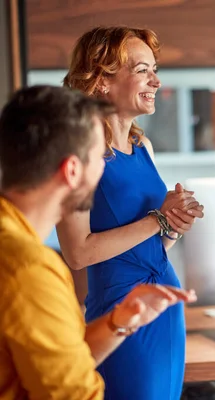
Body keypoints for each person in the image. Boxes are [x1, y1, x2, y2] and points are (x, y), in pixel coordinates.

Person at [0, 85, 197, 399]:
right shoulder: (29, 269)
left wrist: (118, 323)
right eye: (98, 155)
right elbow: (74, 393)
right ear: (72, 170)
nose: (105, 165)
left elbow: (61, 363)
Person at [57, 26, 203, 399]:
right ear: (102, 80)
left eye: (155, 69)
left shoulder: (143, 146)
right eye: (142, 70)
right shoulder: (80, 150)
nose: (155, 80)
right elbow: (78, 253)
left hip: (163, 309)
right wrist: (158, 220)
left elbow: (149, 247)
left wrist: (174, 225)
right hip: (120, 315)